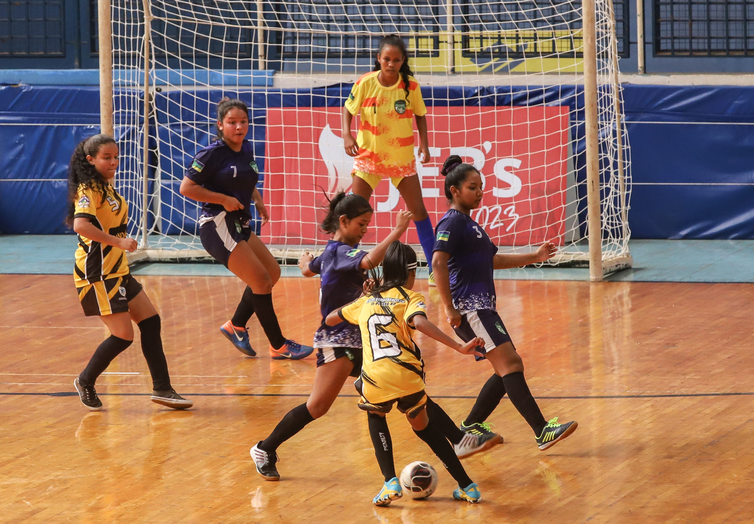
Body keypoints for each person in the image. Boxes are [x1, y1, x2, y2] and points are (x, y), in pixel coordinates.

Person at [250, 193, 413, 481]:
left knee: (399, 384)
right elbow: (369, 260)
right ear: (343, 221)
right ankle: (265, 448)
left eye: (368, 224)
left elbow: (307, 271)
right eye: (361, 224)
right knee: (318, 406)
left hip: (357, 338)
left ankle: (453, 439)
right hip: (337, 340)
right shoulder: (341, 252)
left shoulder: (331, 253)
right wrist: (398, 231)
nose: (365, 230)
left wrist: (306, 261)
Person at [431, 155, 578, 451]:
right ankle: (541, 431)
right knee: (510, 363)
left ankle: (472, 424)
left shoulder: (470, 225)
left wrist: (534, 257)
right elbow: (437, 261)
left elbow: (492, 259)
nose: (480, 192)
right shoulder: (452, 222)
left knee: (507, 367)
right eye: (473, 187)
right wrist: (448, 307)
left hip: (482, 308)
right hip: (469, 308)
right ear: (454, 191)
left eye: (481, 186)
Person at [326, 241, 488, 505]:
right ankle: (467, 486)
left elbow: (331, 319)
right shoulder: (410, 298)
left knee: (376, 416)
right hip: (408, 379)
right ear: (411, 272)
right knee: (425, 429)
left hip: (376, 379)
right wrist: (459, 346)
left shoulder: (367, 300)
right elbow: (419, 322)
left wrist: (361, 299)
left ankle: (390, 482)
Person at [180, 98, 312, 360]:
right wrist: (224, 200)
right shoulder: (210, 154)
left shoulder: (246, 148)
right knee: (261, 281)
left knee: (271, 273)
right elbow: (187, 188)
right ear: (220, 125)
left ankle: (236, 325)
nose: (239, 127)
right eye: (232, 123)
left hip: (240, 222)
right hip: (217, 223)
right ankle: (279, 345)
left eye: (243, 122)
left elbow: (246, 179)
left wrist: (258, 200)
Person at [67, 134, 192, 411]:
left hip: (117, 269)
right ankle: (85, 380)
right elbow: (80, 225)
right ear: (91, 160)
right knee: (123, 336)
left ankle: (162, 389)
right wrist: (119, 242)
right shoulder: (89, 188)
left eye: (115, 157)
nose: (113, 162)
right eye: (106, 157)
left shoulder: (107, 188)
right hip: (96, 273)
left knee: (150, 321)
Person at [342, 34, 437, 285]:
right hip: (368, 158)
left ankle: (435, 270)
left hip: (401, 158)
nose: (391, 64)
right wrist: (347, 135)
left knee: (418, 211)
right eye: (386, 59)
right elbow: (348, 109)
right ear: (378, 59)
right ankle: (349, 270)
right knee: (355, 214)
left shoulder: (410, 86)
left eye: (396, 60)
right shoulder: (365, 83)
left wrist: (425, 145)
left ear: (402, 60)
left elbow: (420, 116)